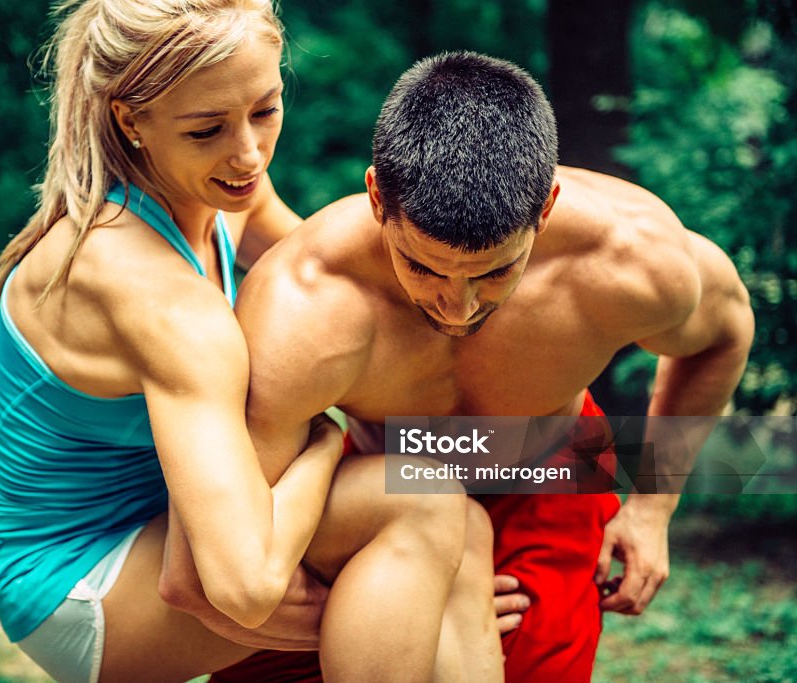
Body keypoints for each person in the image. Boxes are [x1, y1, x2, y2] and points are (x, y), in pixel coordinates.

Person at [182, 51, 755, 682]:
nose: (457, 306)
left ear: (545, 208)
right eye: (423, 267)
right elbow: (241, 543)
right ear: (377, 198)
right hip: (384, 474)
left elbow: (724, 336)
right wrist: (413, 596)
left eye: (494, 272)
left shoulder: (633, 260)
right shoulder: (304, 309)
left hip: (549, 460)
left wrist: (652, 506)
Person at [0, 3, 501, 682]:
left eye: (265, 109)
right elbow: (242, 584)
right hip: (77, 584)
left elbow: (339, 285)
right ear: (131, 120)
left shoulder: (225, 188)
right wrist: (326, 441)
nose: (248, 153)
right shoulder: (154, 297)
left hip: (171, 527)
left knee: (465, 534)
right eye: (206, 129)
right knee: (422, 503)